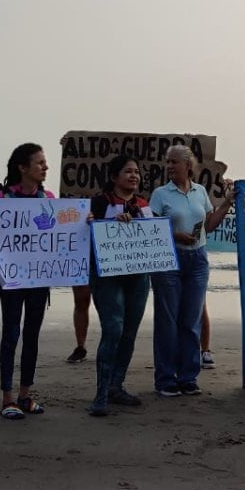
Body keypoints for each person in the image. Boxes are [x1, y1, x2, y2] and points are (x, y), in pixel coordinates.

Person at [0, 143, 54, 420]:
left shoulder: (49, 198)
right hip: (11, 278)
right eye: (40, 163)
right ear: (22, 168)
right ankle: (7, 397)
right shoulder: (3, 197)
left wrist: (84, 219)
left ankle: (25, 394)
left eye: (45, 163)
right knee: (11, 334)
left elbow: (61, 233)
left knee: (32, 334)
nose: (45, 167)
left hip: (39, 278)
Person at [148, 145, 234, 397]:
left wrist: (226, 203)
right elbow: (151, 229)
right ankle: (165, 378)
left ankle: (188, 376)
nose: (170, 166)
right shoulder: (161, 194)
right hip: (169, 260)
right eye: (167, 162)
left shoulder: (200, 192)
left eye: (174, 162)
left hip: (197, 258)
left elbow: (209, 224)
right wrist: (175, 235)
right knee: (168, 320)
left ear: (188, 166)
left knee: (191, 320)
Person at [86, 154, 153, 416]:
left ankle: (116, 385)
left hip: (138, 277)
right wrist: (102, 225)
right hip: (107, 277)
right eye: (128, 171)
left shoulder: (143, 205)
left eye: (137, 172)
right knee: (113, 329)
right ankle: (101, 393)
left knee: (129, 332)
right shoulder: (98, 203)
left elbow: (154, 237)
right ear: (114, 177)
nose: (134, 176)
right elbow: (84, 232)